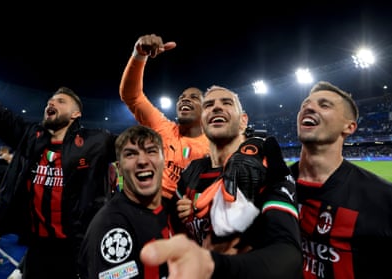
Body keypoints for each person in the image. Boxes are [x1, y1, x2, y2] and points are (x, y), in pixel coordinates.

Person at [0, 6, 117, 279]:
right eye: (50, 99)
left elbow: (137, 145)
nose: (51, 102)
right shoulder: (29, 135)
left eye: (61, 101)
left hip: (79, 250)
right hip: (36, 249)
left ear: (76, 114)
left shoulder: (96, 141)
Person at [147, 85, 303, 278]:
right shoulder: (191, 172)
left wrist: (214, 265)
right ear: (203, 124)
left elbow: (290, 255)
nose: (216, 107)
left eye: (226, 103)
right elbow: (174, 230)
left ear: (243, 121)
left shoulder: (268, 167)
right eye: (209, 105)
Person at [289, 81, 392, 278]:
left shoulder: (383, 199)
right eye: (304, 105)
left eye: (324, 105)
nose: (309, 107)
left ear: (349, 127)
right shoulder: (272, 184)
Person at [119, 34, 210, 200]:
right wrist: (139, 55)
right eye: (182, 97)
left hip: (184, 218)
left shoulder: (213, 147)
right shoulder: (163, 127)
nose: (185, 99)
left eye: (194, 97)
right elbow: (131, 96)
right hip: (145, 207)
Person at [80, 125, 173, 279]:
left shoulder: (171, 210)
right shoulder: (112, 226)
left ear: (164, 161)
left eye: (151, 151)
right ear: (119, 169)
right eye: (131, 154)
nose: (142, 161)